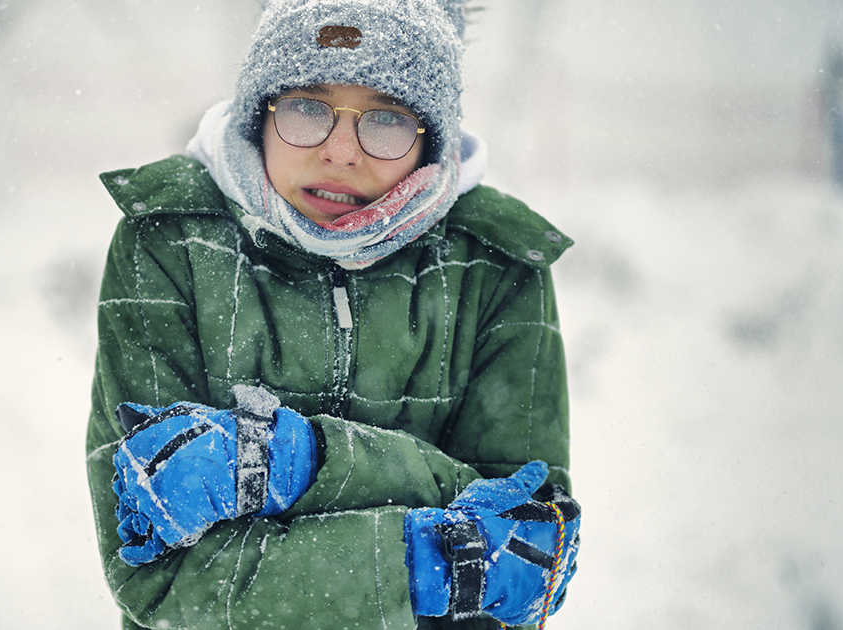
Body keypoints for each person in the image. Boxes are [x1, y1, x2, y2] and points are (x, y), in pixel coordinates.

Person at [85, 1, 581, 628]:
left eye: (388, 118)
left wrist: (297, 464)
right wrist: (429, 561)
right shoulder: (171, 242)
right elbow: (158, 581)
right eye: (308, 107)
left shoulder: (497, 265)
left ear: (431, 139)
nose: (342, 151)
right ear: (260, 112)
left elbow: (529, 550)